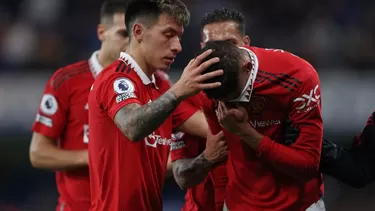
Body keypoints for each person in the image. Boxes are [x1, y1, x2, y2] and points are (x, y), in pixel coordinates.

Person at [87, 0, 223, 210]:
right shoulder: (116, 79)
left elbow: (215, 129)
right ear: (139, 32)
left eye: (179, 37)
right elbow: (132, 126)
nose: (177, 46)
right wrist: (179, 90)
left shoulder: (159, 90)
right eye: (168, 35)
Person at [199, 40, 324, 211]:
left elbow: (308, 165)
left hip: (299, 205)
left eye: (237, 96)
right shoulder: (209, 83)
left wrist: (246, 133)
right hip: (239, 205)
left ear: (247, 67)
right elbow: (220, 156)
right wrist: (220, 204)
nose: (232, 105)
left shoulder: (299, 77)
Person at [29, 1, 129, 211]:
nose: (130, 43)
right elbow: (38, 153)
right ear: (101, 32)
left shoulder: (156, 83)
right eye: (122, 34)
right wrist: (92, 156)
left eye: (137, 36)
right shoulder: (67, 81)